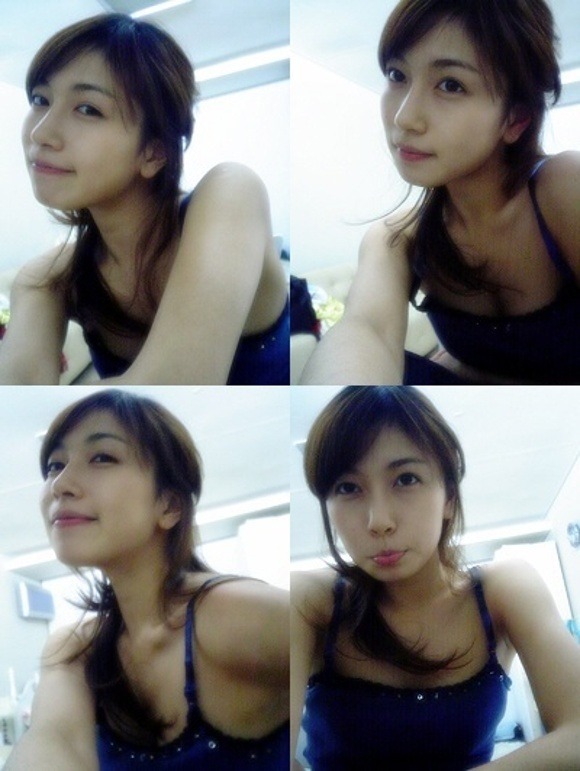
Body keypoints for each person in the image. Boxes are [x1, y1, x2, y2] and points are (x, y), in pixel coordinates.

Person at [291, 386, 580, 769]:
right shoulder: (312, 600)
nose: (379, 521)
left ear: (449, 498)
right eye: (348, 488)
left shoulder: (504, 589)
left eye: (406, 479)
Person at [6, 389, 289, 770]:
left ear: (169, 505)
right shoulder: (76, 647)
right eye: (55, 465)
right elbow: (56, 740)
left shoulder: (231, 613)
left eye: (102, 457)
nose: (60, 484)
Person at [300, 0, 580, 385]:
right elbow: (366, 330)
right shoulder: (400, 238)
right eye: (397, 75)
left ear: (515, 119)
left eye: (451, 85)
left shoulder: (563, 187)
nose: (405, 118)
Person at [0, 13, 289, 385]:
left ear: (154, 152)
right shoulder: (48, 278)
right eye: (41, 100)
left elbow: (176, 382)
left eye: (88, 109)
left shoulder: (232, 192)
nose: (40, 133)